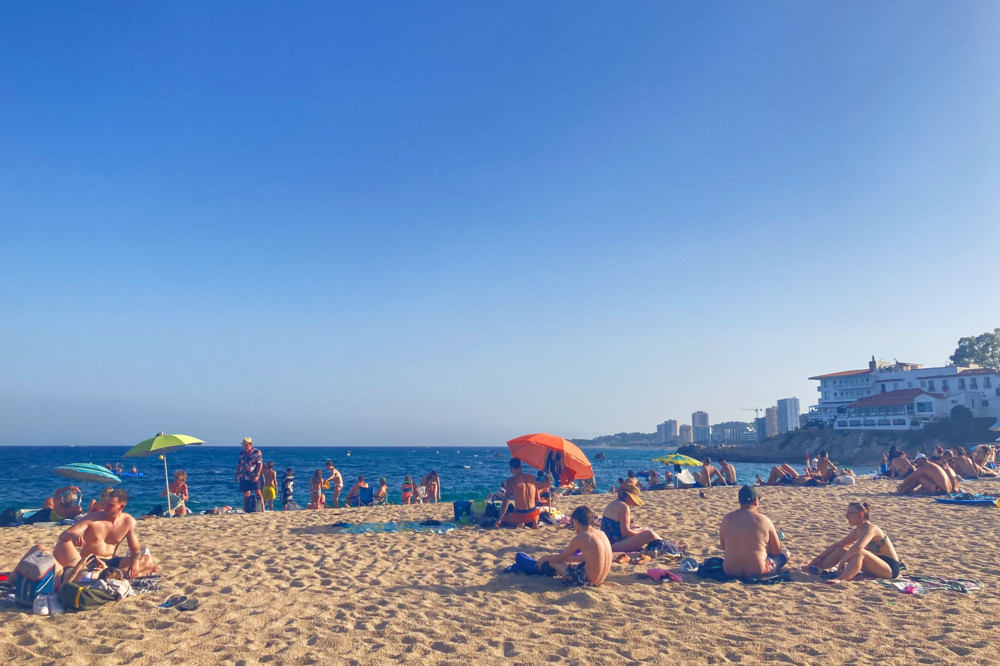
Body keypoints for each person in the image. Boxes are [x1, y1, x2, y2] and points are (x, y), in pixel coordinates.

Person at [52, 489, 156, 580]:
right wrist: (73, 536)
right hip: (91, 561)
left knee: (147, 559)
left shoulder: (128, 521)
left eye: (110, 505)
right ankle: (120, 575)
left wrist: (135, 563)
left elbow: (135, 548)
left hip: (111, 561)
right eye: (106, 503)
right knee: (63, 543)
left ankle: (113, 574)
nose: (106, 507)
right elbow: (64, 534)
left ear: (121, 507)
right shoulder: (92, 518)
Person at [809, 501, 901, 582]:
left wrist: (842, 562)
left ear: (860, 514)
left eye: (849, 514)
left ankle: (841, 579)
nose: (847, 517)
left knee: (860, 553)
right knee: (841, 550)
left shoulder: (871, 529)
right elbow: (840, 544)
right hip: (874, 565)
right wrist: (819, 557)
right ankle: (814, 566)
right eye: (846, 514)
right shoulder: (859, 530)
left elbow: (858, 547)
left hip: (890, 569)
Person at [718, 485, 788, 578]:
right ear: (755, 501)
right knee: (785, 553)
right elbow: (776, 551)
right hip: (757, 570)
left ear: (740, 501)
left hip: (730, 569)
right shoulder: (765, 520)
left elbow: (724, 547)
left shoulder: (726, 519)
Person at [536, 506, 612, 587]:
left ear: (576, 521)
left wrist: (544, 558)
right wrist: (569, 559)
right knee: (570, 565)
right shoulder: (601, 533)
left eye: (573, 523)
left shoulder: (581, 537)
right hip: (600, 580)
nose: (574, 527)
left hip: (586, 581)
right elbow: (591, 557)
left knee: (553, 562)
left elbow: (561, 557)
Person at [600, 483, 662, 552]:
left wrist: (635, 529)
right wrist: (641, 532)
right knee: (649, 534)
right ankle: (666, 545)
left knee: (639, 529)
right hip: (613, 545)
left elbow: (616, 528)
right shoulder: (624, 507)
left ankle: (664, 544)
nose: (633, 503)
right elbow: (625, 532)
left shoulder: (614, 503)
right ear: (629, 497)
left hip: (606, 542)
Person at [494, 458, 541, 529]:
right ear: (521, 467)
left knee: (504, 520)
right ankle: (532, 522)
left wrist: (499, 519)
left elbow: (506, 501)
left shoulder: (511, 480)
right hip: (534, 514)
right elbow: (537, 499)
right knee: (532, 514)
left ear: (511, 468)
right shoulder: (532, 478)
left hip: (520, 515)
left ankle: (518, 524)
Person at [234, 437, 263, 512]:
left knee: (258, 492)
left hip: (253, 475)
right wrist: (236, 476)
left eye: (246, 445)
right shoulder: (241, 454)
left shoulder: (256, 452)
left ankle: (262, 509)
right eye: (243, 445)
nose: (244, 447)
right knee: (245, 493)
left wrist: (257, 475)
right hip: (244, 476)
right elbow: (239, 465)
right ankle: (245, 509)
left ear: (250, 444)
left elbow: (260, 464)